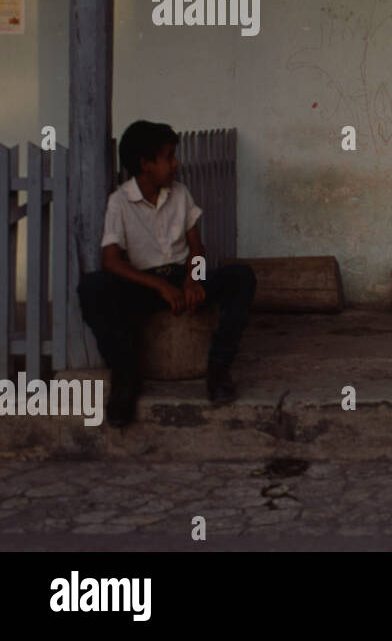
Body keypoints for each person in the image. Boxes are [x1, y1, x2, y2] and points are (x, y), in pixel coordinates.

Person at [77, 121, 257, 427]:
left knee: (241, 276)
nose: (176, 164)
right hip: (146, 286)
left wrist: (193, 279)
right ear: (145, 165)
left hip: (182, 278)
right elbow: (111, 261)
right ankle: (125, 377)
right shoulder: (119, 202)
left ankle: (218, 368)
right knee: (93, 287)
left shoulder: (180, 193)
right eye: (169, 157)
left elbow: (197, 248)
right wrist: (160, 286)